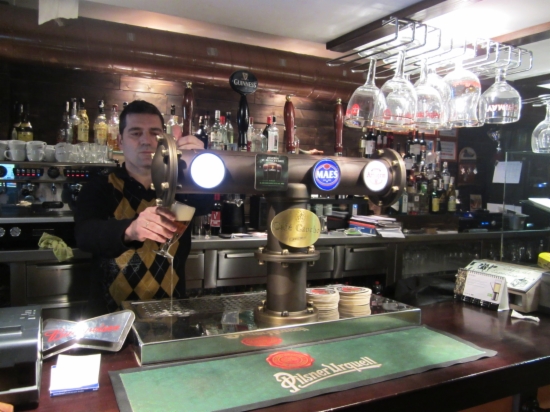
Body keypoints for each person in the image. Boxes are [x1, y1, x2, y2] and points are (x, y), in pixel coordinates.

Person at [75, 100, 211, 315]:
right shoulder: (101, 186)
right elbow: (84, 235)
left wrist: (201, 160)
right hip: (113, 316)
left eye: (155, 133)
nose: (147, 141)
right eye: (135, 133)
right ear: (120, 141)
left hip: (170, 313)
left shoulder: (181, 187)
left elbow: (206, 202)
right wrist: (131, 230)